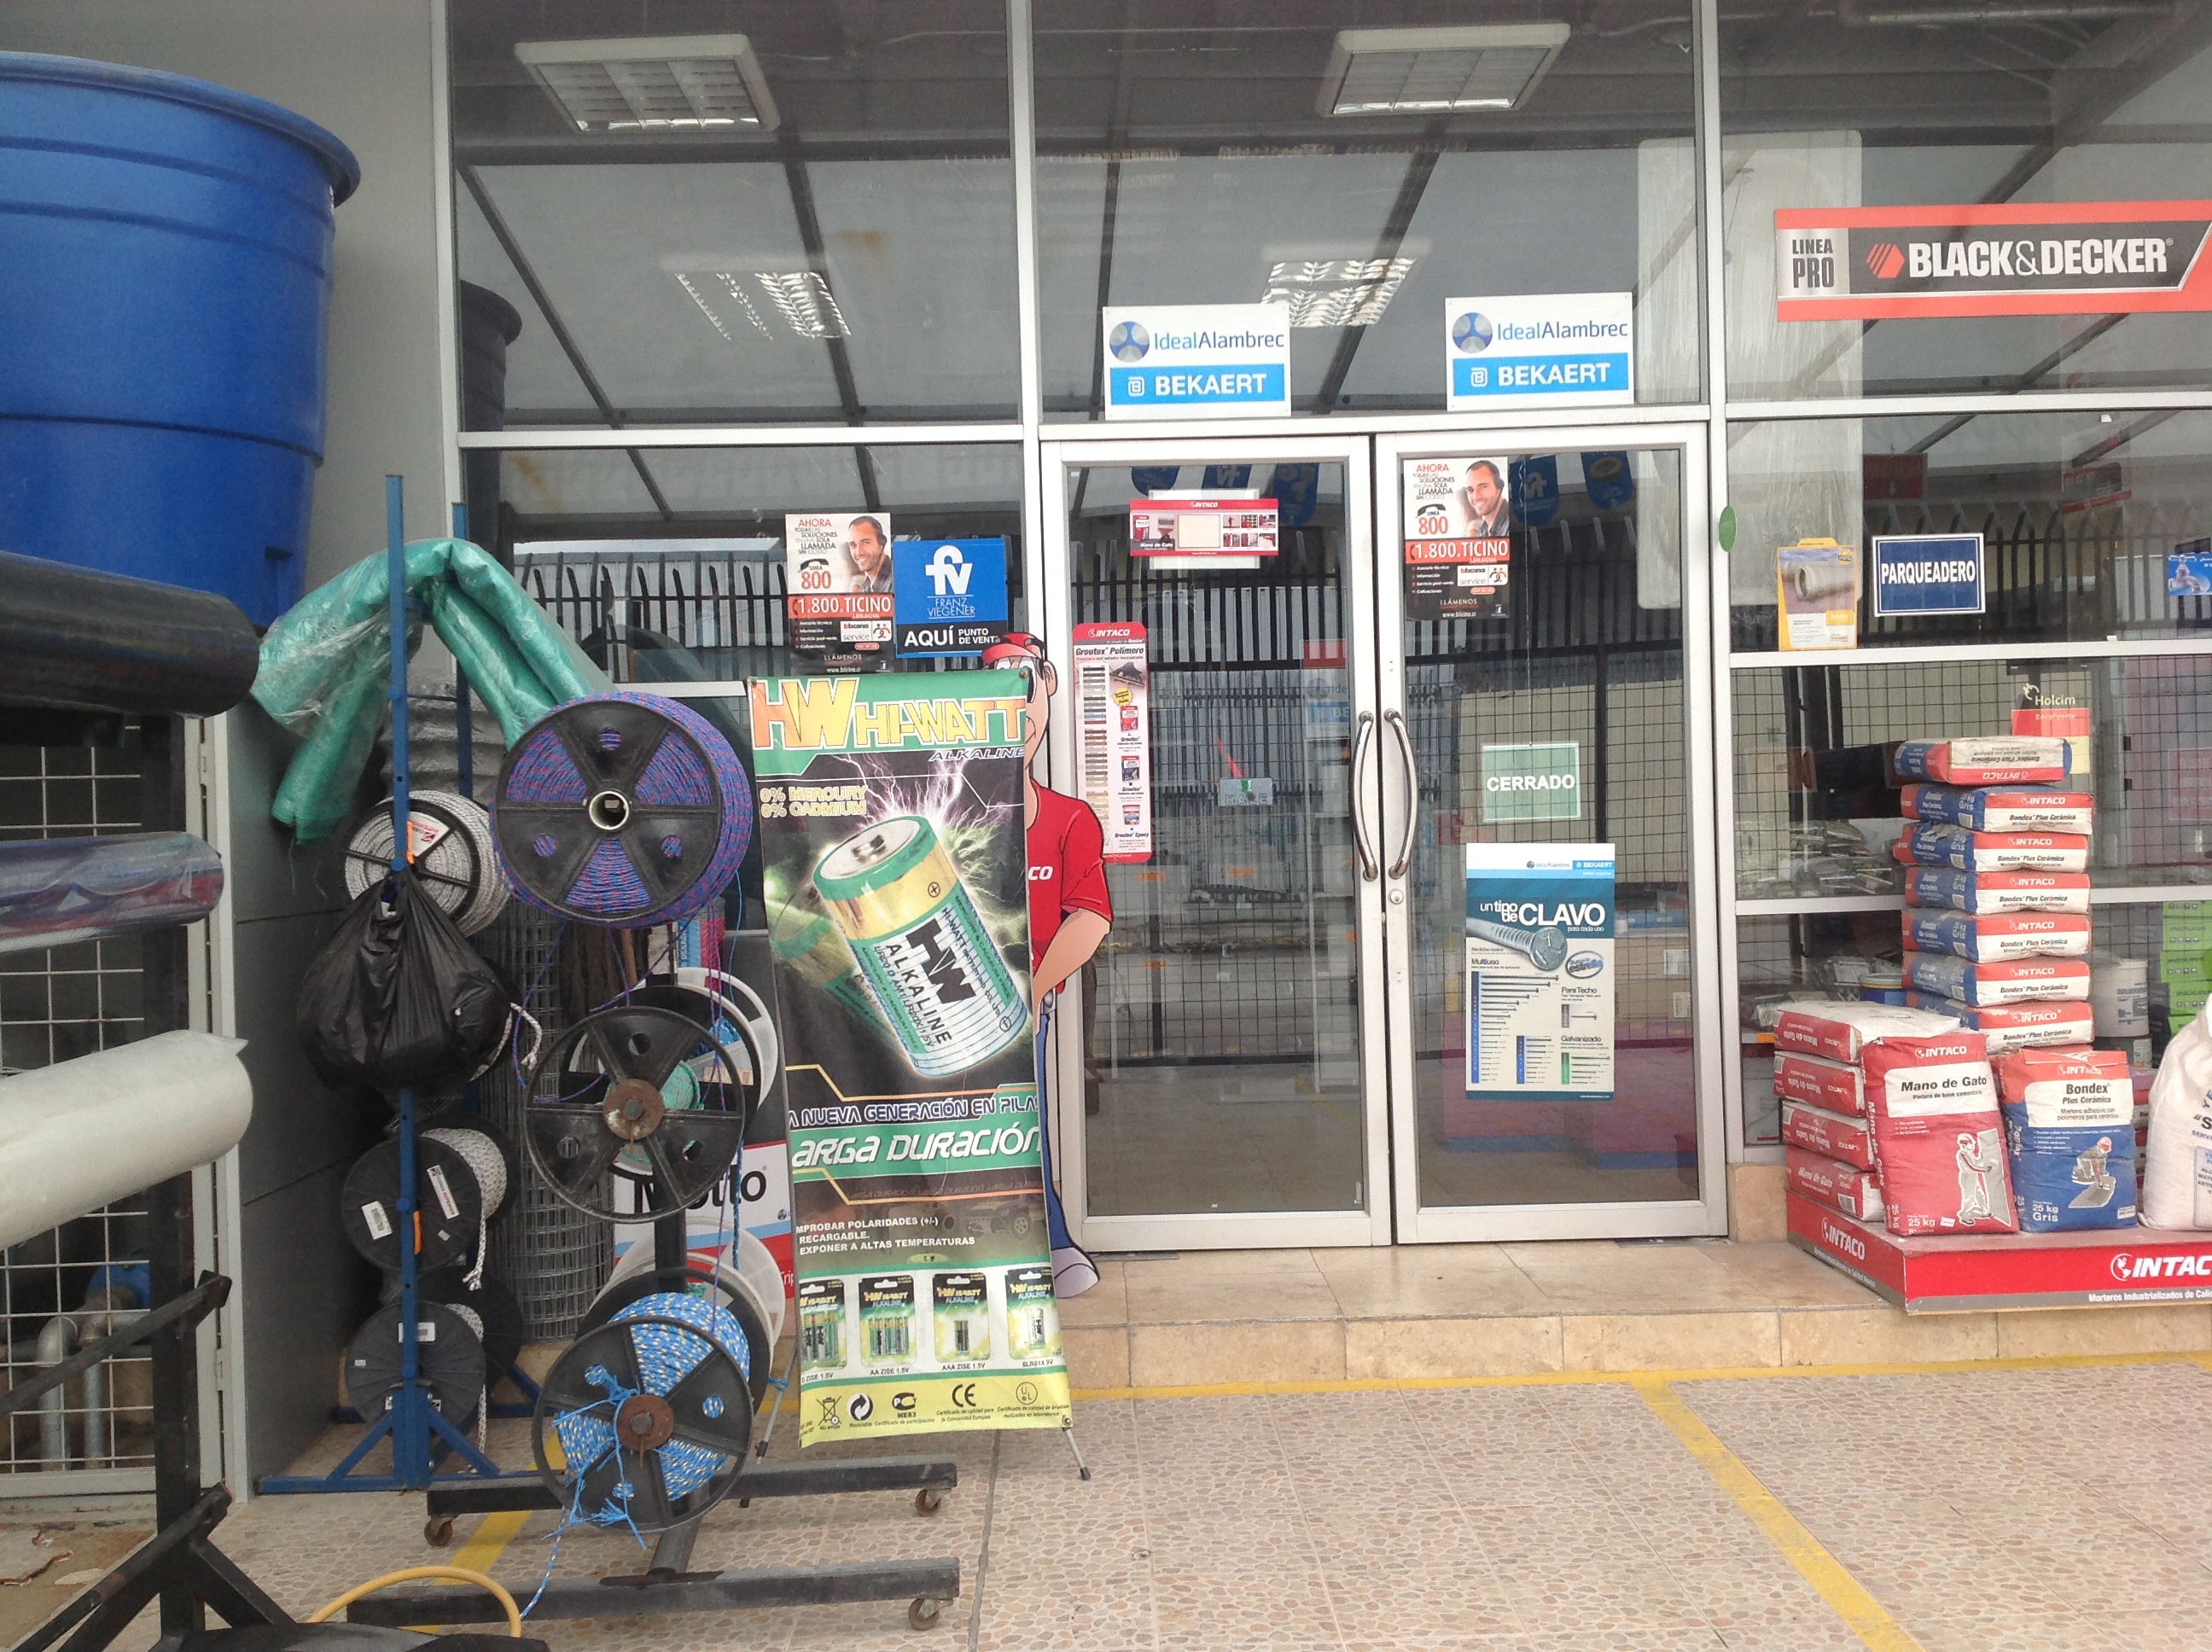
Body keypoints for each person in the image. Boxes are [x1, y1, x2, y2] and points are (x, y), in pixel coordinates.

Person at [982, 631, 1109, 1298]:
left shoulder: (1069, 820)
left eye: (1024, 683)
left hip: (1026, 1002)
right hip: (954, 1000)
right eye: (998, 686)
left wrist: (1032, 992)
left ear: (1049, 689)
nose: (1016, 707)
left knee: (1020, 1119)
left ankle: (1050, 1241)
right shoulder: (959, 816)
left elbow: (1089, 917)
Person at [1462, 459, 1511, 536]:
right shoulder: (1483, 528)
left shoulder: (1511, 525)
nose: (1476, 497)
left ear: (1499, 487)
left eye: (1483, 487)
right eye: (1470, 490)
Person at [845, 515, 893, 593]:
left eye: (866, 543)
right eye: (853, 545)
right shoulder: (866, 586)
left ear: (881, 544)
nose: (858, 553)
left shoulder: (895, 581)